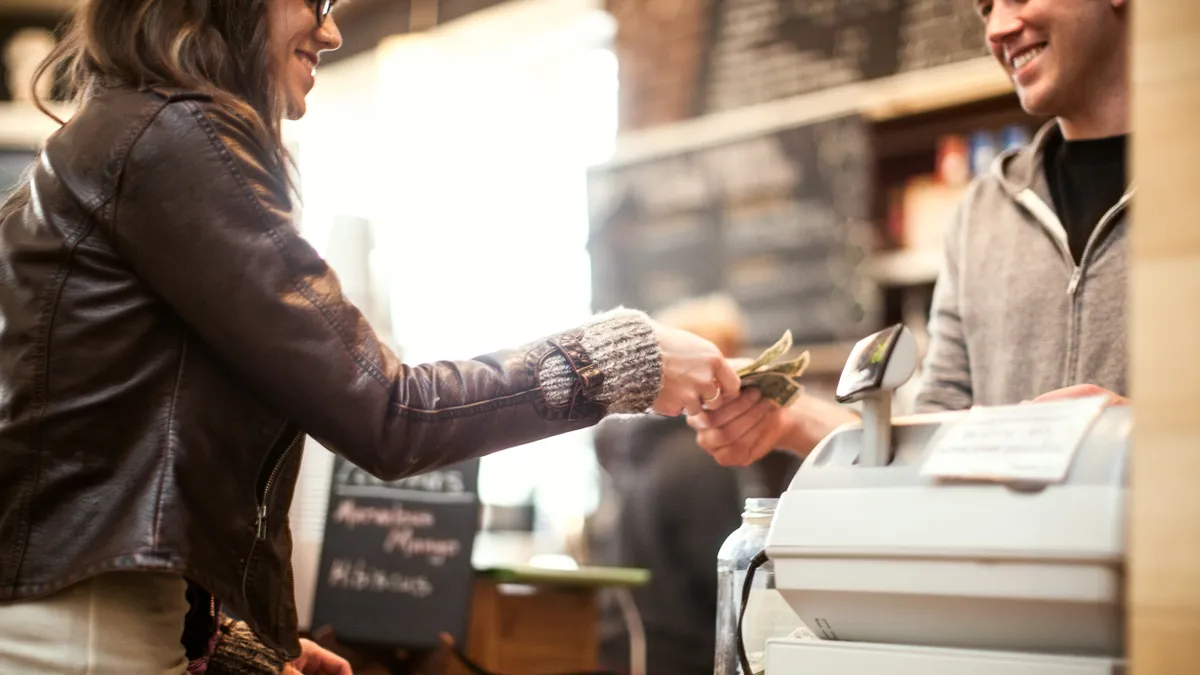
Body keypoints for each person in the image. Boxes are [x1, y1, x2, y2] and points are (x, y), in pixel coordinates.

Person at [0, 2, 744, 673]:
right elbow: (389, 412)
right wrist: (617, 361)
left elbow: (104, 445)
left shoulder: (126, 134)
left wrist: (223, 646)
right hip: (80, 638)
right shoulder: (174, 134)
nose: (330, 29)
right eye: (312, 0)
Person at [690, 0, 1133, 467]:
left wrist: (1150, 433)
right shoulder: (982, 213)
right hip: (1004, 542)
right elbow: (935, 438)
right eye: (985, 10)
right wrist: (791, 417)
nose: (1000, 28)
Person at [588, 295, 781, 675]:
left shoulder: (637, 449)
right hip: (687, 657)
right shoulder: (702, 457)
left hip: (627, 651)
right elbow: (724, 581)